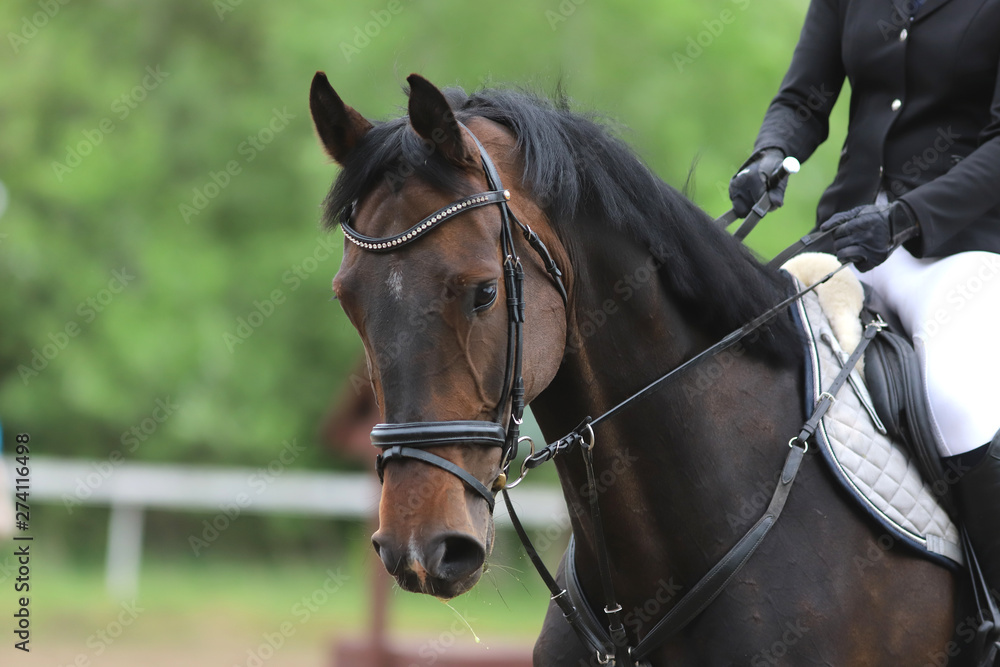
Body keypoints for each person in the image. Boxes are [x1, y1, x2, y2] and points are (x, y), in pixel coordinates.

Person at [728, 0, 1000, 601]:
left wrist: (906, 219)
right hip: (848, 240)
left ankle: (991, 612)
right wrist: (770, 156)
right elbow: (804, 99)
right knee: (746, 360)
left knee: (956, 402)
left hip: (962, 247)